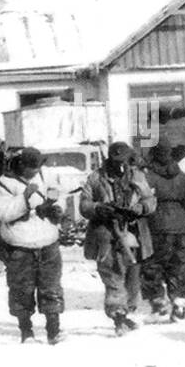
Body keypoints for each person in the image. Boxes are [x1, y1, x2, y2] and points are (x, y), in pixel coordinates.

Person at [80, 141, 157, 336]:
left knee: (133, 276)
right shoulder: (96, 178)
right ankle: (118, 317)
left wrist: (139, 208)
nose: (120, 165)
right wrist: (99, 209)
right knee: (113, 275)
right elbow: (84, 204)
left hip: (134, 232)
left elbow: (150, 200)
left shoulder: (138, 176)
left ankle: (126, 311)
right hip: (105, 234)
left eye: (123, 161)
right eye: (116, 161)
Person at [0, 146, 66, 343]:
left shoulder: (46, 176)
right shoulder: (5, 183)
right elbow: (4, 214)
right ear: (21, 165)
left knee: (51, 287)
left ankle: (54, 330)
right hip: (20, 245)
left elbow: (61, 195)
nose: (35, 171)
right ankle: (26, 331)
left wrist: (56, 209)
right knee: (21, 290)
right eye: (31, 167)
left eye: (38, 166)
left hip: (47, 242)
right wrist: (24, 198)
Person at [141, 140, 185, 322]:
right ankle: (179, 306)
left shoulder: (148, 178)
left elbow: (142, 202)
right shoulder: (183, 177)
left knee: (153, 264)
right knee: (179, 265)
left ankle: (158, 304)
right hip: (181, 225)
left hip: (157, 224)